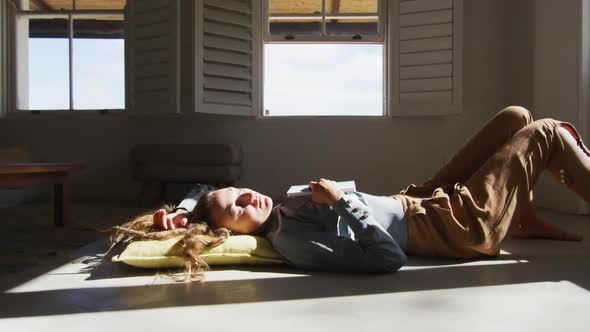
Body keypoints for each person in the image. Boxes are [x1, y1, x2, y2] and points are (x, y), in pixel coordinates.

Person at [146, 106, 588, 273]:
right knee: (545, 132)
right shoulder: (292, 241)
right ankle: (504, 218)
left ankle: (521, 218)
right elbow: (388, 258)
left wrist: (184, 209)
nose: (247, 198)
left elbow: (205, 188)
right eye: (237, 210)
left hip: (416, 199)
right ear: (234, 234)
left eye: (239, 191)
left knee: (516, 116)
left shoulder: (278, 209)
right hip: (452, 226)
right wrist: (341, 203)